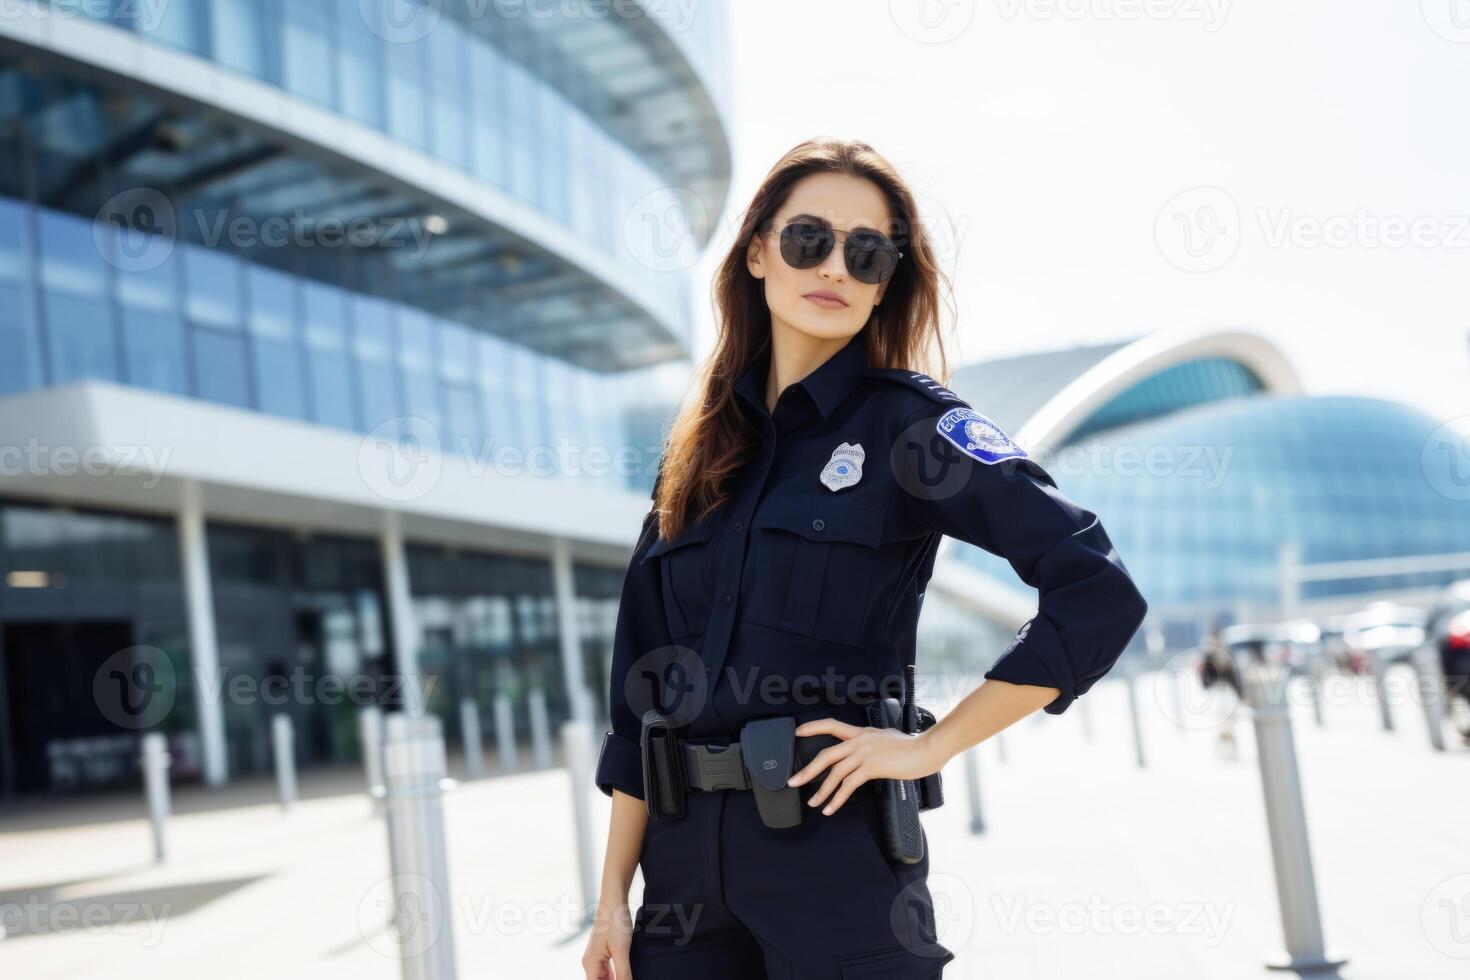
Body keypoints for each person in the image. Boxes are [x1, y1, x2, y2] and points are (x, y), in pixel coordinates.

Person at [581, 138, 1149, 979]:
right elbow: (641, 703)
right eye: (810, 238)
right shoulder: (694, 457)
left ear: (887, 279)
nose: (836, 266)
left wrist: (931, 747)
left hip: (836, 863)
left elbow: (1098, 591)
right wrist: (611, 907)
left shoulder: (909, 429)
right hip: (682, 887)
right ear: (758, 252)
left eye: (867, 251)